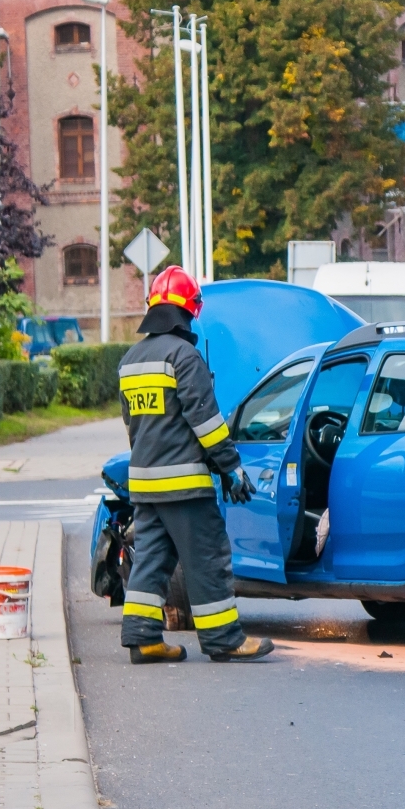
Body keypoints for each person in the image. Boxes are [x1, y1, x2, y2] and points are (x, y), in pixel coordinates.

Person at [117, 265, 272, 664]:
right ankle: (224, 639)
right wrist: (231, 468)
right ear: (190, 311)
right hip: (184, 484)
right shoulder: (183, 357)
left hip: (145, 483)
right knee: (207, 556)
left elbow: (133, 426)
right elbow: (206, 422)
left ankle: (143, 638)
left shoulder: (131, 360)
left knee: (151, 559)